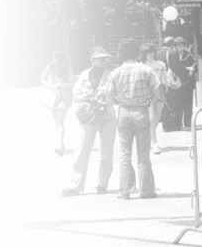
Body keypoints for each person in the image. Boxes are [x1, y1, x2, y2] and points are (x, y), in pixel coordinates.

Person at [106, 38, 159, 200]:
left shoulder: (114, 73)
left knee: (124, 154)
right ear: (137, 52)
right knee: (143, 154)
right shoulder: (146, 70)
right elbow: (157, 93)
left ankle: (125, 191)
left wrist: (120, 101)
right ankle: (146, 190)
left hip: (123, 113)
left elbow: (109, 98)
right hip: (142, 112)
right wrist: (147, 100)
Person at [61, 47, 116, 197]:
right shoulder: (84, 76)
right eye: (100, 58)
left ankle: (102, 184)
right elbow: (76, 96)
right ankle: (75, 185)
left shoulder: (111, 75)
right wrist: (89, 95)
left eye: (105, 58)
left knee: (107, 153)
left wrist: (105, 96)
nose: (104, 61)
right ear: (93, 60)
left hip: (107, 117)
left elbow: (115, 96)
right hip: (88, 117)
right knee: (81, 150)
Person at [41, 50, 75, 157]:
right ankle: (61, 143)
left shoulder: (67, 70)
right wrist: (47, 85)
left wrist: (59, 86)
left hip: (65, 98)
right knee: (58, 123)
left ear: (59, 59)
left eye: (54, 57)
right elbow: (43, 77)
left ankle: (59, 146)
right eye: (52, 57)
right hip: (53, 99)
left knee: (60, 122)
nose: (52, 59)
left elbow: (72, 84)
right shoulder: (49, 67)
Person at [140, 43, 167, 154]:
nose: (150, 55)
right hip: (148, 93)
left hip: (160, 92)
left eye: (151, 52)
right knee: (152, 116)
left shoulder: (160, 64)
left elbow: (164, 78)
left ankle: (148, 138)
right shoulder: (141, 66)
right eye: (147, 53)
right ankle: (154, 143)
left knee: (157, 118)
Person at [166, 37, 198, 129]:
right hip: (176, 84)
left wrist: (192, 70)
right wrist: (187, 69)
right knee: (177, 104)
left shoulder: (188, 54)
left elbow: (195, 64)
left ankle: (188, 123)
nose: (181, 47)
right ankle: (178, 124)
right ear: (175, 46)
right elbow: (174, 66)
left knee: (188, 103)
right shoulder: (172, 54)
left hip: (187, 83)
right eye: (178, 45)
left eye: (182, 45)